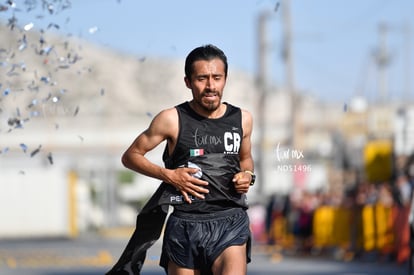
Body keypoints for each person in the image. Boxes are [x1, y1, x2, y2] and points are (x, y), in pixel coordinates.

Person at [106, 44, 255, 275]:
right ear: (188, 81)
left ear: (225, 78)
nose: (210, 86)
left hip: (230, 222)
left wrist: (247, 176)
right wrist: (169, 175)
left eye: (217, 77)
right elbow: (130, 157)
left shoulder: (243, 119)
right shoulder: (171, 119)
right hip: (186, 224)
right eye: (202, 78)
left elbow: (245, 160)